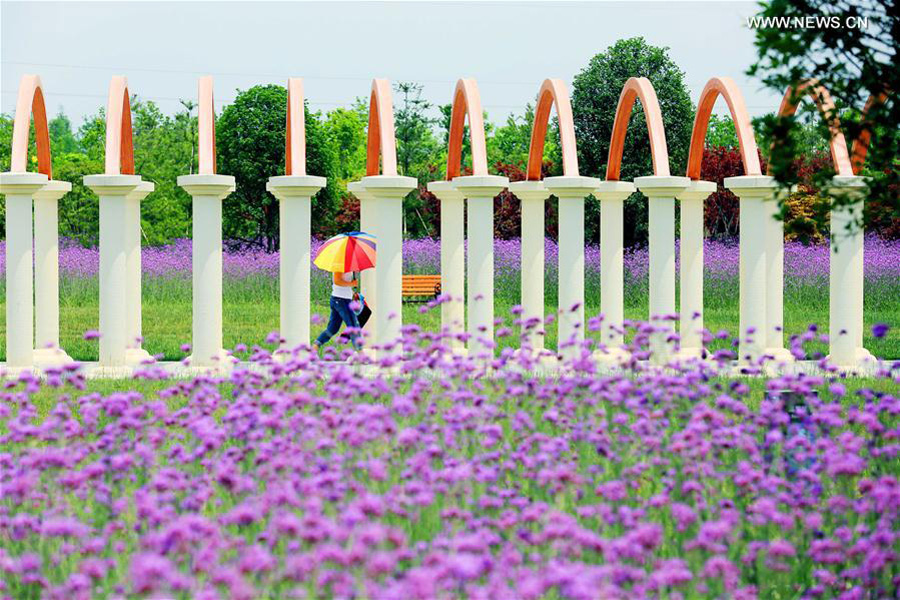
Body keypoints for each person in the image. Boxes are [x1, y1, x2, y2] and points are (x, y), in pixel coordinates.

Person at [313, 271, 361, 352]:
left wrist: (352, 292)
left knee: (333, 328)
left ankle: (314, 348)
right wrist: (352, 284)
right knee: (353, 326)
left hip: (340, 299)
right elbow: (337, 281)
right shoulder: (340, 264)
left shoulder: (349, 266)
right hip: (341, 301)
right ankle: (361, 354)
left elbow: (343, 285)